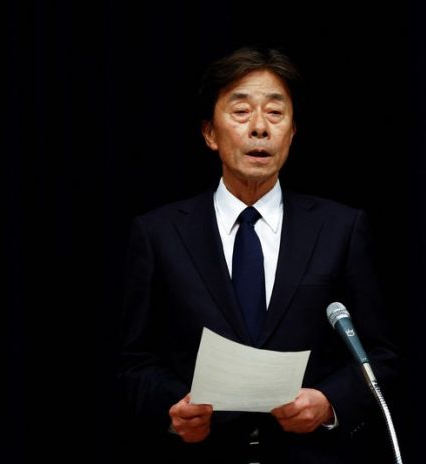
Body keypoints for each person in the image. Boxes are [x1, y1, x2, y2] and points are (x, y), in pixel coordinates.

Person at [119, 46, 399, 464]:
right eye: (241, 112)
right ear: (210, 133)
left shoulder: (341, 228)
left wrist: (329, 403)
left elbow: (380, 355)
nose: (259, 128)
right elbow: (133, 361)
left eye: (275, 113)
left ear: (292, 132)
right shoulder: (159, 233)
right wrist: (173, 409)